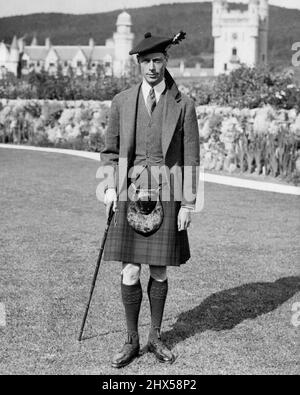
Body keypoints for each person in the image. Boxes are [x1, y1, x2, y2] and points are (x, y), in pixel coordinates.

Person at [100, 31, 200, 368]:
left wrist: (187, 204)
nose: (153, 67)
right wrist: (111, 187)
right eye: (146, 61)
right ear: (138, 64)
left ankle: (155, 336)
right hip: (128, 193)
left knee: (158, 269)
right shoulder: (122, 101)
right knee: (130, 269)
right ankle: (131, 339)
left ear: (166, 61)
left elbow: (191, 159)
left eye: (158, 60)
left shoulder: (183, 106)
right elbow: (110, 153)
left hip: (168, 194)